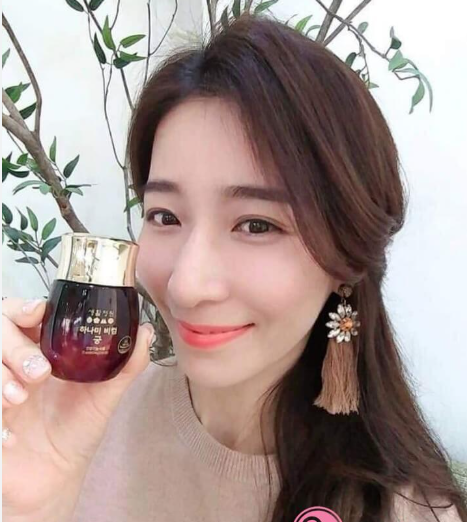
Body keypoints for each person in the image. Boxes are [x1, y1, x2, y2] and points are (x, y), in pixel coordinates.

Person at [2, 13, 466, 522]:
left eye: (256, 225)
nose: (185, 285)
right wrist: (28, 506)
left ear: (346, 256)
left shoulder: (406, 511)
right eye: (165, 216)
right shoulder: (79, 423)